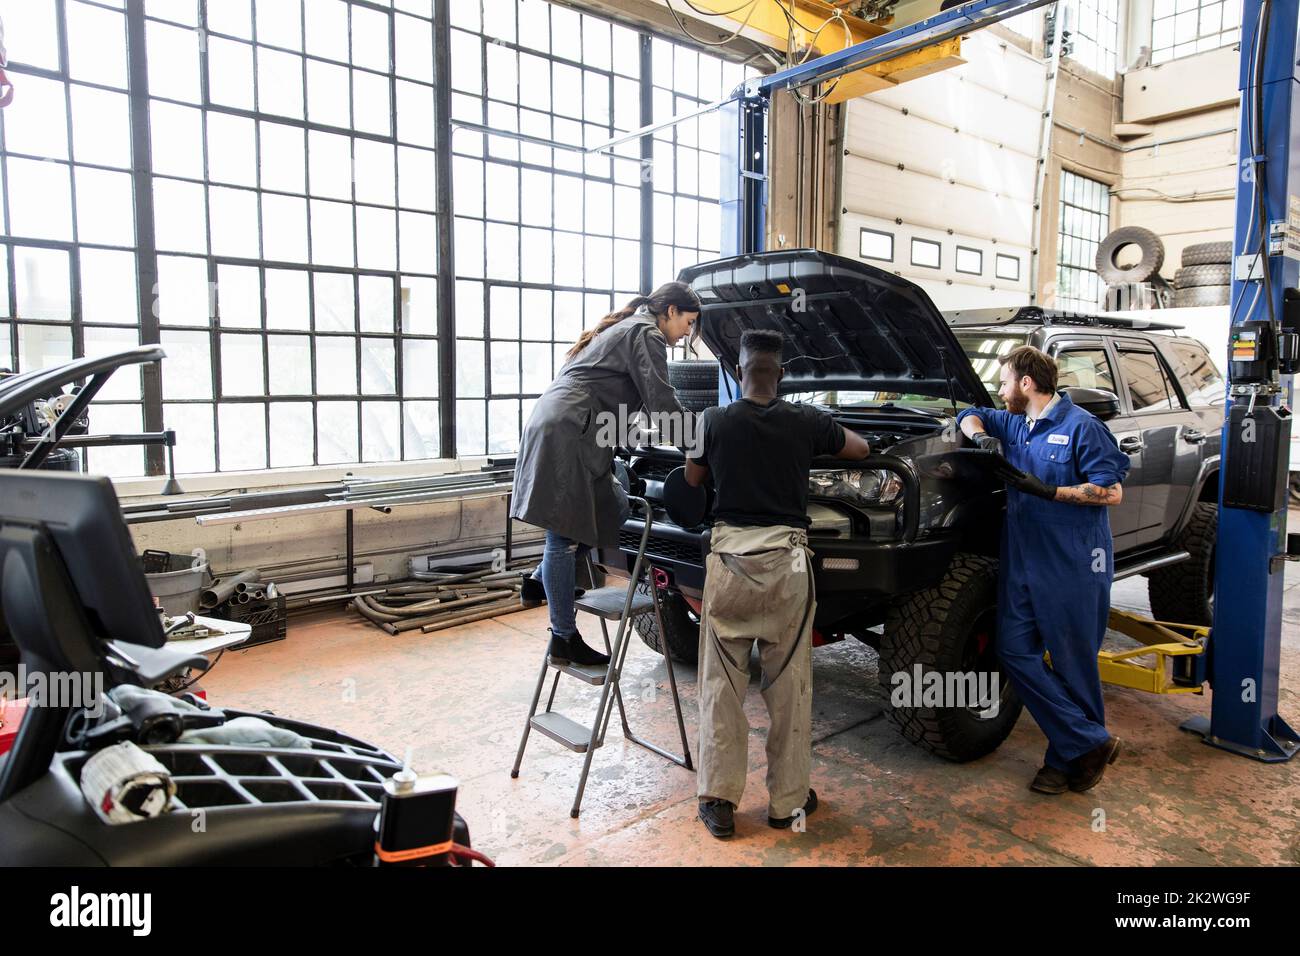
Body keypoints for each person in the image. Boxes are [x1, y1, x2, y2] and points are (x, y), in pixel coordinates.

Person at [685, 329, 870, 838]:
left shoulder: (714, 420)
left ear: (739, 371)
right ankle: (787, 802)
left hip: (729, 564)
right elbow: (861, 447)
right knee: (789, 685)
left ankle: (719, 801)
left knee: (722, 683)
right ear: (780, 374)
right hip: (786, 565)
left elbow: (693, 478)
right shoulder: (804, 419)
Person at [957, 345, 1130, 795]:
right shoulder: (1016, 423)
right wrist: (979, 436)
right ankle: (1089, 742)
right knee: (1014, 651)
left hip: (1073, 564)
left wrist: (1049, 491)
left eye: (1004, 380)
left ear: (1026, 384)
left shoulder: (1082, 428)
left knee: (1074, 665)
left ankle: (1066, 761)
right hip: (1023, 561)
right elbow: (970, 413)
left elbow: (1111, 493)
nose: (1000, 389)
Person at [511, 282, 700, 668]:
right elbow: (661, 399)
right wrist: (700, 447)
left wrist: (642, 432)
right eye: (688, 322)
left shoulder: (629, 327)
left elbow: (630, 401)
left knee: (611, 504)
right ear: (669, 312)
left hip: (573, 424)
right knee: (564, 534)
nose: (688, 333)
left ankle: (536, 580)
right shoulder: (646, 333)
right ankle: (563, 639)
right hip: (571, 430)